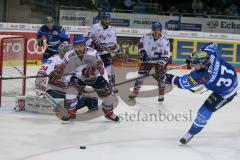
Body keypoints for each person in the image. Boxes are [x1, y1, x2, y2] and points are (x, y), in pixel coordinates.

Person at [164, 43, 238, 144]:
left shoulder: (201, 76)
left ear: (204, 64)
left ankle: (191, 133)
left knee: (203, 113)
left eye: (196, 65)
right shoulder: (209, 55)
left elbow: (182, 83)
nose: (193, 67)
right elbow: (211, 46)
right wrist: (194, 57)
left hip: (226, 93)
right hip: (229, 77)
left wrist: (167, 77)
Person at [51, 36, 119, 122]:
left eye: (81, 46)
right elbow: (62, 66)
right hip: (78, 77)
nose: (79, 48)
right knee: (70, 92)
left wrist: (104, 78)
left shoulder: (92, 53)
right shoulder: (69, 55)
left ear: (84, 45)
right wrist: (57, 72)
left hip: (94, 77)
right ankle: (71, 112)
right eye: (77, 46)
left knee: (107, 94)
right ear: (73, 46)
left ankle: (109, 113)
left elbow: (101, 66)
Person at [37, 41, 98, 112]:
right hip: (54, 91)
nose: (67, 53)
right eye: (64, 51)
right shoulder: (54, 59)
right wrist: (40, 82)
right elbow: (43, 71)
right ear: (60, 51)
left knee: (92, 101)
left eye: (68, 51)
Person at [128, 22, 171, 102]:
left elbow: (166, 54)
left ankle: (161, 95)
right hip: (147, 60)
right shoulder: (146, 37)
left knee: (161, 78)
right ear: (152, 30)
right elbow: (139, 44)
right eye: (154, 29)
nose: (155, 31)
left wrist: (161, 63)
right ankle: (135, 93)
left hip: (159, 61)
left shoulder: (165, 40)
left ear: (160, 30)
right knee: (140, 76)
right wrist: (142, 53)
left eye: (157, 30)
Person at [85, 11, 119, 93]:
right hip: (94, 53)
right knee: (92, 70)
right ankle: (91, 84)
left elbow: (114, 44)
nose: (107, 21)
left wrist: (110, 48)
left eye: (108, 19)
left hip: (105, 53)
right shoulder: (94, 27)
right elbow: (86, 38)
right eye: (105, 19)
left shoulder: (112, 30)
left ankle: (111, 85)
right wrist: (93, 42)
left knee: (109, 70)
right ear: (101, 19)